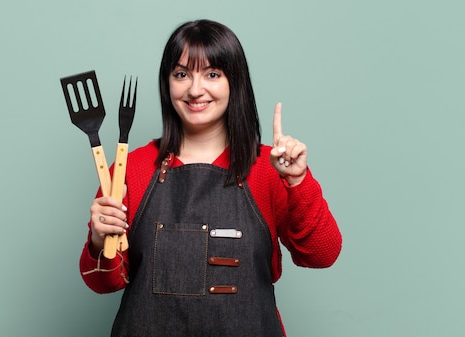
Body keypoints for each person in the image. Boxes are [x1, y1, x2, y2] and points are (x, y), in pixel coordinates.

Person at [79, 19, 342, 337]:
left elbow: (321, 254)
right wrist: (98, 238)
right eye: (181, 74)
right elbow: (102, 282)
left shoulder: (269, 167)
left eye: (212, 74)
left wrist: (299, 181)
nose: (194, 89)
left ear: (235, 82)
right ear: (167, 84)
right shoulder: (130, 169)